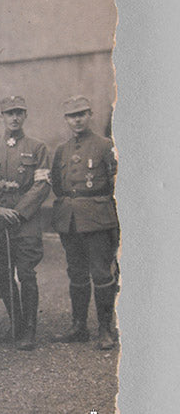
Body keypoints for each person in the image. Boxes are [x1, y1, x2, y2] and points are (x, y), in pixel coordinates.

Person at [0, 95, 51, 350]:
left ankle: (29, 330)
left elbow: (42, 185)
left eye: (19, 112)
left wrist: (17, 212)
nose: (14, 118)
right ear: (3, 117)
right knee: (2, 273)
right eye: (9, 113)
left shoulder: (37, 148)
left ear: (25, 115)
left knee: (26, 273)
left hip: (25, 220)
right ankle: (15, 324)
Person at [50, 95, 119, 349]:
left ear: (90, 115)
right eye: (72, 115)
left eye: (81, 114)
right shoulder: (62, 149)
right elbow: (58, 185)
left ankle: (105, 329)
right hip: (70, 219)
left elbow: (116, 184)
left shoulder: (105, 145)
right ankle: (79, 326)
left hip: (98, 218)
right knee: (76, 272)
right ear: (66, 120)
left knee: (101, 273)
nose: (77, 120)